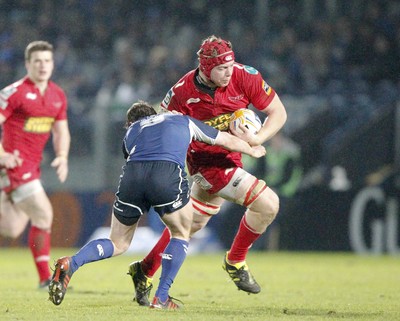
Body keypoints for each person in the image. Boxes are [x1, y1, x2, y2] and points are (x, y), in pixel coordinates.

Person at [48, 100, 266, 309]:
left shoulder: (132, 132)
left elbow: (132, 155)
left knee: (118, 242)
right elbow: (224, 140)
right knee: (181, 232)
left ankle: (72, 263)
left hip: (132, 177)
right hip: (165, 172)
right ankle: (161, 298)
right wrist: (252, 148)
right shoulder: (182, 120)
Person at [129, 35, 287, 306]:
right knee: (268, 204)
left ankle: (143, 270)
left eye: (231, 65)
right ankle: (236, 261)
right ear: (205, 67)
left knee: (191, 224)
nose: (229, 72)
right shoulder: (180, 93)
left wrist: (258, 138)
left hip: (233, 156)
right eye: (222, 68)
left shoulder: (245, 76)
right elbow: (163, 129)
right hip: (205, 163)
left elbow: (278, 112)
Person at [0, 41, 70, 289]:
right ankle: (45, 279)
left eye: (47, 61)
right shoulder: (14, 93)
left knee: (12, 227)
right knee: (44, 214)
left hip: (31, 167)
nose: (42, 66)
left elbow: (61, 131)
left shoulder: (57, 95)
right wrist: (3, 155)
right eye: (37, 61)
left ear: (53, 64)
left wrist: (62, 156)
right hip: (14, 166)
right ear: (27, 64)